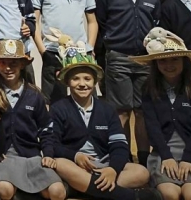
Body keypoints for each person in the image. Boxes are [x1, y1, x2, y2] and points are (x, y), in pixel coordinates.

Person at [49, 30, 160, 200]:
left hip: (103, 165)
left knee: (141, 172)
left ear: (95, 82)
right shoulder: (58, 108)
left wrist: (112, 170)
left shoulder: (107, 109)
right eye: (76, 79)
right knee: (61, 164)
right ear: (67, 82)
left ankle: (84, 188)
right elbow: (53, 145)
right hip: (74, 165)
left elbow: (119, 144)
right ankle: (128, 196)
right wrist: (75, 156)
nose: (82, 84)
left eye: (87, 79)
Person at [96, 0, 166, 166]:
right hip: (119, 59)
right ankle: (122, 156)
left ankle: (144, 158)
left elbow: (156, 22)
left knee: (144, 110)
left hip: (147, 59)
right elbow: (102, 21)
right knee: (121, 111)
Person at [128, 27, 191, 200]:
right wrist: (166, 157)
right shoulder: (149, 90)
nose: (169, 65)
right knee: (170, 194)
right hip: (163, 152)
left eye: (175, 59)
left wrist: (188, 158)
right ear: (155, 64)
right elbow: (152, 127)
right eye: (163, 61)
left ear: (184, 61)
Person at [0, 39, 65, 200]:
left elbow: (46, 130)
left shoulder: (35, 95)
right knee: (5, 189)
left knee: (58, 191)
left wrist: (49, 154)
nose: (8, 68)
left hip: (32, 157)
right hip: (5, 158)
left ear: (23, 65)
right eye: (3, 63)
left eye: (13, 63)